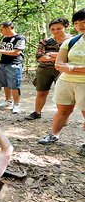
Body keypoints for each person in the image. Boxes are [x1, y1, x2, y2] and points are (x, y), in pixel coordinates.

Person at [38, 8, 85, 155]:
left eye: (83, 22)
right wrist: (74, 68)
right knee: (63, 110)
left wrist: (70, 67)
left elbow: (65, 65)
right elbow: (59, 64)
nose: (80, 26)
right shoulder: (72, 41)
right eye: (76, 23)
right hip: (65, 82)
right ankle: (54, 134)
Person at [25, 18, 72, 120]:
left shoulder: (73, 41)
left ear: (66, 27)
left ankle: (62, 117)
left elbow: (72, 57)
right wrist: (61, 56)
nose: (55, 31)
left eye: (59, 28)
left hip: (63, 70)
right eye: (53, 29)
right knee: (41, 92)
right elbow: (39, 57)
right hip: (44, 69)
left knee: (62, 94)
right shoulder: (45, 41)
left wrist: (50, 55)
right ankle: (37, 112)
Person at [0, 22, 26, 114]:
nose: (0, 31)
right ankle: (8, 100)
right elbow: (4, 50)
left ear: (9, 28)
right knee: (5, 84)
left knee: (14, 85)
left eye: (2, 29)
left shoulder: (20, 38)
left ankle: (16, 104)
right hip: (3, 63)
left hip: (14, 64)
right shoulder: (5, 39)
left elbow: (16, 52)